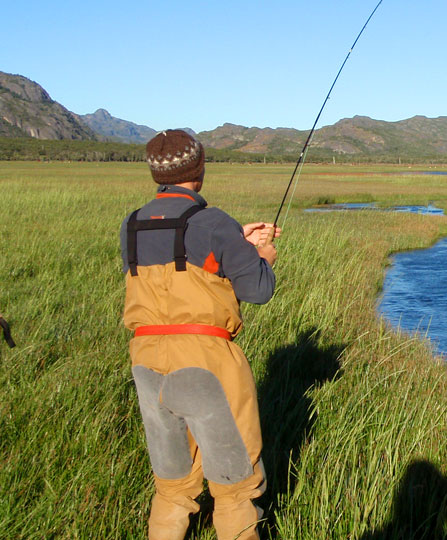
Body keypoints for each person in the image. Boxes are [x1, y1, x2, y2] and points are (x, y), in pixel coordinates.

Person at [120, 129, 279, 540]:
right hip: (207, 362)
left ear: (157, 173)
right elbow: (258, 290)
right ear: (199, 169)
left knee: (173, 488)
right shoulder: (214, 223)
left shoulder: (132, 225)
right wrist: (260, 256)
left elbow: (180, 256)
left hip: (147, 362)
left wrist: (235, 244)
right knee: (235, 487)